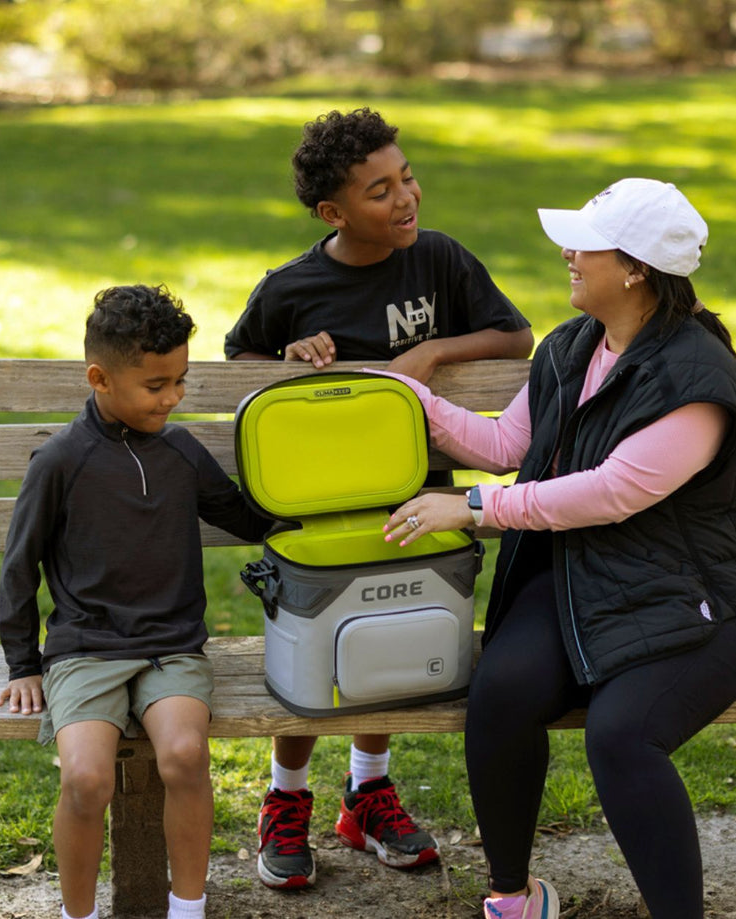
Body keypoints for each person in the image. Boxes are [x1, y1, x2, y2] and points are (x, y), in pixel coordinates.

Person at [379, 179, 736, 919]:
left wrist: (471, 507)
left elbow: (611, 491)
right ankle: (514, 896)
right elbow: (509, 443)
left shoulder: (695, 378)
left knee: (621, 733)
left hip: (705, 601)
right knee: (499, 693)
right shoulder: (571, 347)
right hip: (587, 578)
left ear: (633, 267)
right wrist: (406, 398)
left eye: (584, 243)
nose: (567, 252)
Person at [224, 107, 534, 890]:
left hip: (412, 496)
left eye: (405, 177)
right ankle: (285, 797)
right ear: (333, 212)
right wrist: (292, 356)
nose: (405, 199)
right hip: (317, 512)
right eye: (379, 191)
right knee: (317, 650)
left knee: (386, 638)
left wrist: (434, 349)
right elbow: (241, 359)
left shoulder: (438, 261)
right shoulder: (290, 287)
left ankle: (368, 789)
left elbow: (514, 336)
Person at [0, 284, 277, 919]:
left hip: (170, 650)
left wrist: (317, 499)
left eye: (180, 381)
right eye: (156, 386)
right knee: (86, 779)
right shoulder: (61, 460)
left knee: (183, 754)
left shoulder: (181, 450)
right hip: (86, 651)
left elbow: (247, 519)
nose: (173, 398)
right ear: (100, 377)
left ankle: (187, 909)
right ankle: (80, 914)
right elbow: (19, 567)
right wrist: (23, 664)